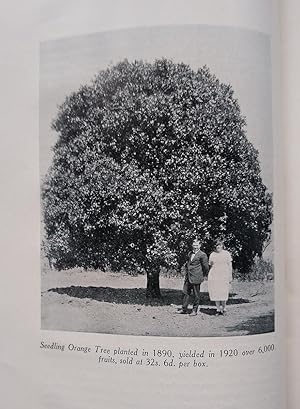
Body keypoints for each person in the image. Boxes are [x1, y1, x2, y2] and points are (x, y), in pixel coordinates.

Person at [177, 239, 209, 316]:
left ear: (200, 246)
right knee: (185, 292)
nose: (195, 247)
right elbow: (188, 263)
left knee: (196, 295)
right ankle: (184, 309)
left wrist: (201, 275)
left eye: (197, 245)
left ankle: (194, 310)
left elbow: (206, 267)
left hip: (196, 277)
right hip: (188, 276)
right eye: (194, 245)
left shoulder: (202, 255)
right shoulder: (190, 253)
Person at [208, 240, 233, 315]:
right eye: (216, 245)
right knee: (216, 291)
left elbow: (230, 265)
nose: (218, 247)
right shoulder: (212, 254)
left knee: (223, 291)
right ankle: (218, 309)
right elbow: (211, 265)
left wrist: (230, 275)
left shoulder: (226, 254)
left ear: (222, 246)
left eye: (219, 245)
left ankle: (224, 308)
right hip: (215, 275)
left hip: (224, 274)